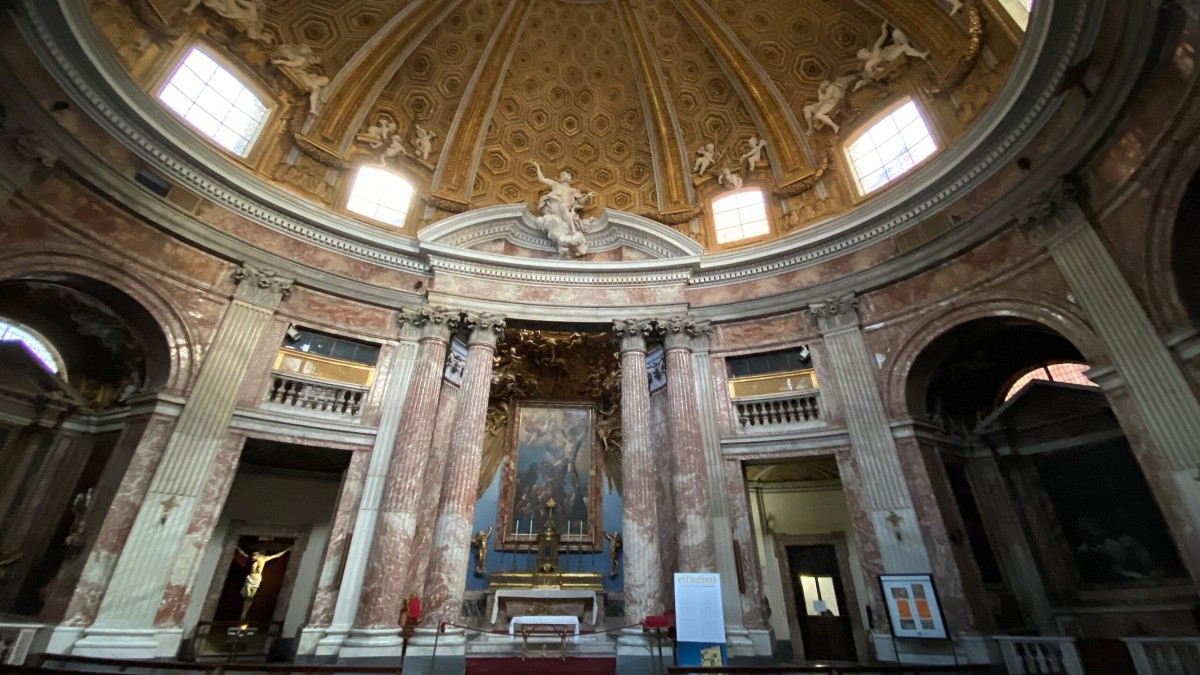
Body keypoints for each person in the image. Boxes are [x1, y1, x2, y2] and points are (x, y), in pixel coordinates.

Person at [236, 546, 290, 620]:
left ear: (257, 556)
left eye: (254, 558)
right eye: (252, 557)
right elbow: (242, 553)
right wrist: (237, 546)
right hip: (250, 578)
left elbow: (277, 555)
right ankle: (244, 612)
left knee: (251, 597)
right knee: (247, 596)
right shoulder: (251, 559)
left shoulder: (264, 559)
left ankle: (245, 612)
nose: (252, 559)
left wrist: (287, 549)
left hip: (257, 579)